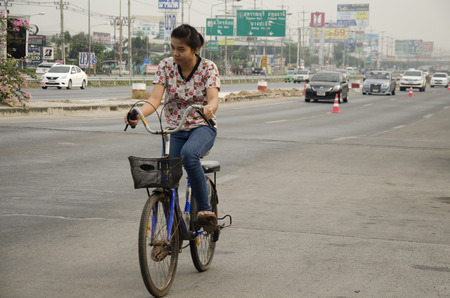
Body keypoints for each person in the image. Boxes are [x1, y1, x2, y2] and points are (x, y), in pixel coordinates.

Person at [125, 24, 220, 222]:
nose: (175, 53)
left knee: (188, 155)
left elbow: (213, 100)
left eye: (181, 49)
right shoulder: (166, 66)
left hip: (202, 126)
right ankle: (171, 232)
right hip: (175, 128)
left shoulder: (208, 68)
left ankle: (204, 211)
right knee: (168, 175)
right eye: (172, 47)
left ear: (194, 49)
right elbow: (154, 101)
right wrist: (138, 114)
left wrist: (209, 108)